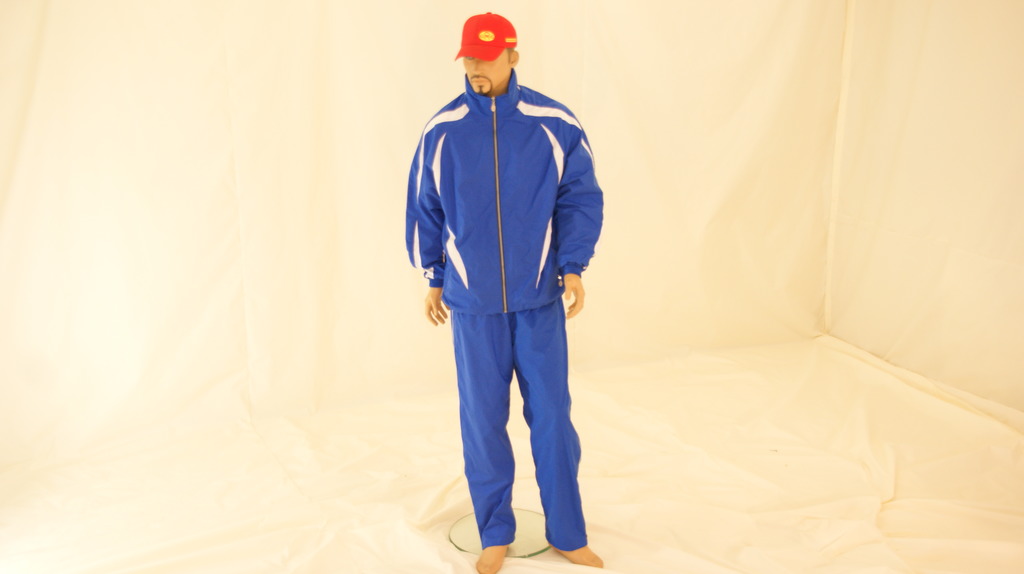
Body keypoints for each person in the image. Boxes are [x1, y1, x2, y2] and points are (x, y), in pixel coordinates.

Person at [405, 12, 604, 574]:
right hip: (472, 308)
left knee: (553, 419)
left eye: (486, 58)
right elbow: (425, 207)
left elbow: (580, 197)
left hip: (539, 300)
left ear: (512, 57)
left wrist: (572, 267)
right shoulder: (442, 130)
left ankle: (568, 532)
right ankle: (495, 531)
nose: (476, 67)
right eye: (469, 57)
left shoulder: (554, 124)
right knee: (483, 422)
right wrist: (434, 278)